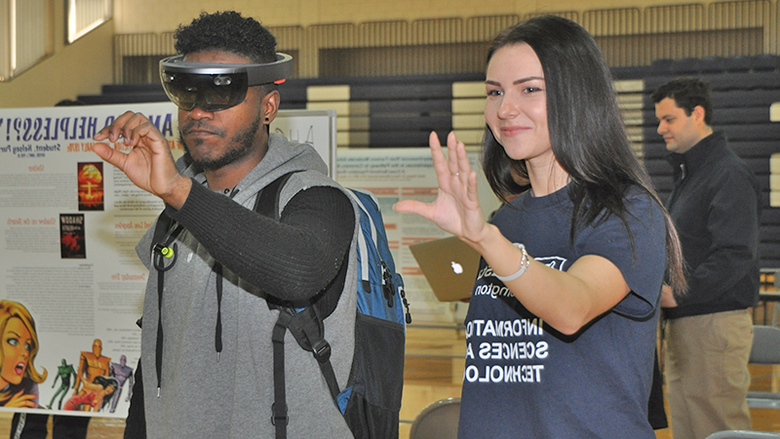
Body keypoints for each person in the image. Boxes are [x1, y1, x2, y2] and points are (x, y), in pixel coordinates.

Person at [394, 15, 686, 438]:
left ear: (577, 95)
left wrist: (486, 240)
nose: (504, 109)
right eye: (494, 92)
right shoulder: (506, 220)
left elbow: (571, 308)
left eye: (530, 89)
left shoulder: (626, 211)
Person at [91, 11, 359, 438]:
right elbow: (158, 359)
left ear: (268, 106)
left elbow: (299, 271)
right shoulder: (176, 217)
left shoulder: (316, 198)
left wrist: (179, 192)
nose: (199, 111)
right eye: (187, 92)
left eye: (222, 92)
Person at [652, 77, 760, 439]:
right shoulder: (692, 175)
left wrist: (677, 292)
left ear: (696, 114)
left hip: (712, 324)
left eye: (669, 119)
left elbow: (735, 254)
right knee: (689, 428)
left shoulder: (727, 174)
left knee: (719, 429)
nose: (660, 128)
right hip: (688, 323)